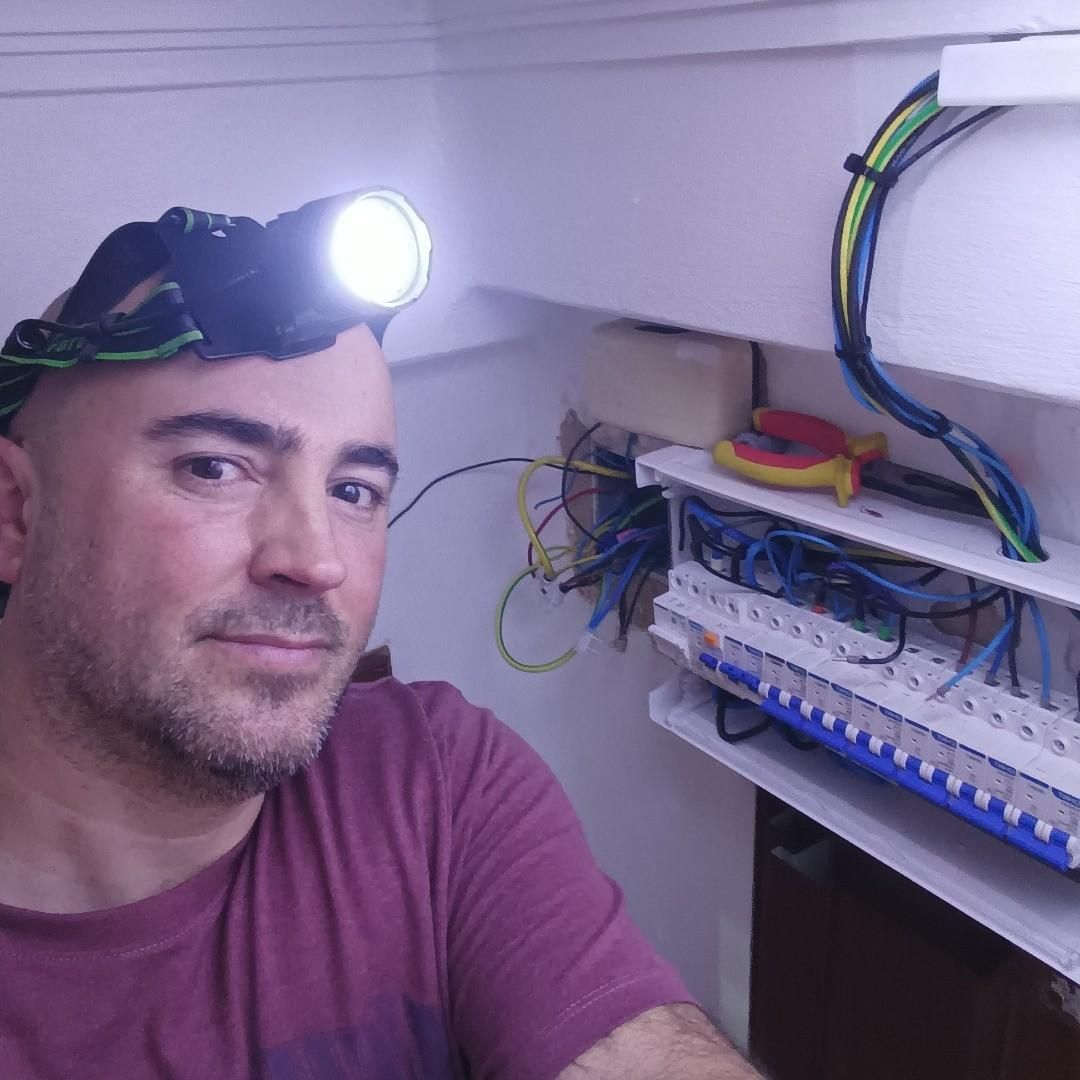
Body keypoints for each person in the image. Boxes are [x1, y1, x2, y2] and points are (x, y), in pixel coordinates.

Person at [0, 203, 761, 1078]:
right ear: (17, 513)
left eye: (354, 490)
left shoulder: (435, 785)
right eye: (213, 467)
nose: (316, 560)